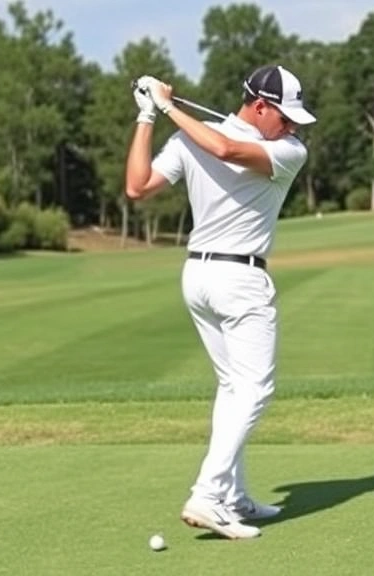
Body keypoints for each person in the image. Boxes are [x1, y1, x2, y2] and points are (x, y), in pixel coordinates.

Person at [124, 65, 316, 539]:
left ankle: (233, 496)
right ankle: (208, 494)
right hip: (238, 279)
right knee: (254, 390)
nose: (292, 128)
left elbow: (225, 148)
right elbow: (137, 187)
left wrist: (163, 111)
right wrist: (148, 116)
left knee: (233, 387)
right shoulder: (203, 136)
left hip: (200, 277)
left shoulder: (284, 150)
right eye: (286, 117)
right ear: (260, 106)